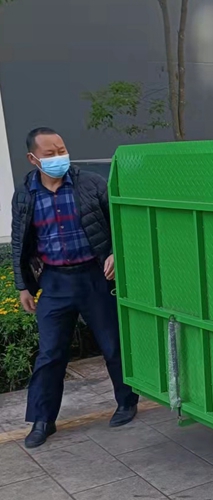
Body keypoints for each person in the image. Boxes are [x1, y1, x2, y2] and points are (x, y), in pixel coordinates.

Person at [11, 127, 138, 449]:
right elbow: (19, 244)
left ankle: (126, 401)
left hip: (95, 277)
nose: (58, 158)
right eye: (50, 154)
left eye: (62, 150)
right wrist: (23, 286)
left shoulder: (90, 183)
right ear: (33, 158)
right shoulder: (25, 195)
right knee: (51, 353)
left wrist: (116, 254)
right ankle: (43, 420)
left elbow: (122, 224)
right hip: (54, 282)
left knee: (113, 345)